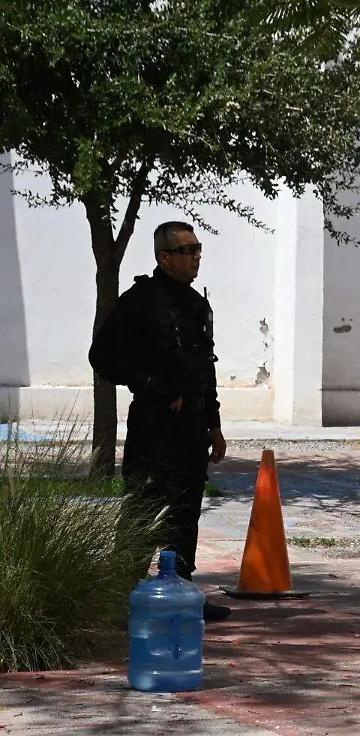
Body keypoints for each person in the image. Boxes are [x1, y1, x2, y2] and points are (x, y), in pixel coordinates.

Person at [89, 220, 231, 622]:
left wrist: (214, 424)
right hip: (154, 425)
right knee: (143, 509)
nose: (196, 256)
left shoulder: (196, 304)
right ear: (164, 257)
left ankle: (183, 594)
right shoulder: (140, 301)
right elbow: (103, 357)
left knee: (185, 511)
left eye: (198, 248)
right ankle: (118, 596)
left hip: (191, 427)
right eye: (188, 250)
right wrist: (155, 386)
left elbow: (206, 368)